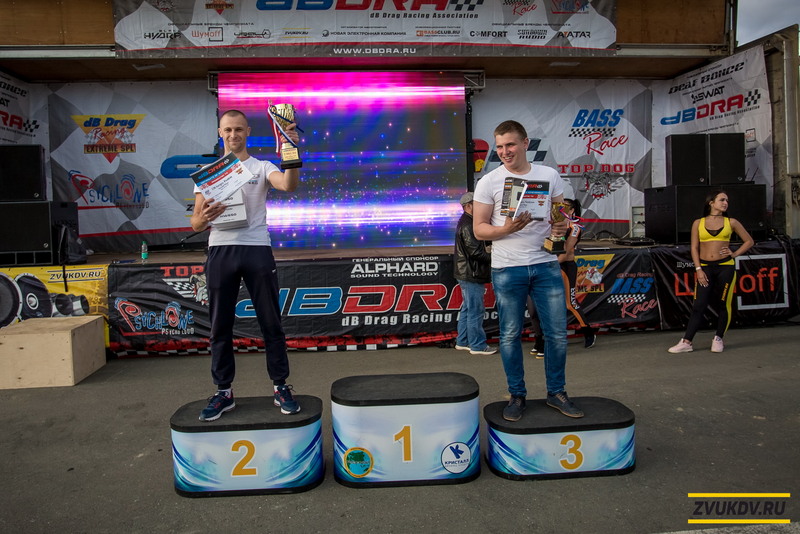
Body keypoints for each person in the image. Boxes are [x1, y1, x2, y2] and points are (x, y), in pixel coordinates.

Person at [190, 109, 302, 421]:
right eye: (227, 130)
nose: (233, 135)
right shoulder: (209, 173)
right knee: (219, 325)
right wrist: (204, 217)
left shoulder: (261, 167)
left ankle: (280, 385)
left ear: (248, 131)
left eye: (238, 129)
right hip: (221, 250)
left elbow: (288, 185)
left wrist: (291, 149)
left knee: (271, 322)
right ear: (220, 132)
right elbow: (196, 223)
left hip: (256, 248)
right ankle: (223, 391)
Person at [473, 120, 583, 422]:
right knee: (510, 335)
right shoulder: (489, 181)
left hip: (546, 264)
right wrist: (506, 229)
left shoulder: (548, 175)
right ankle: (517, 395)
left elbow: (561, 214)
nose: (504, 151)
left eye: (510, 144)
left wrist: (560, 226)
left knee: (556, 334)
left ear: (525, 143)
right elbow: (480, 230)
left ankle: (556, 392)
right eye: (499, 146)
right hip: (508, 268)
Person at [668, 189, 754, 354]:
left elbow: (749, 241)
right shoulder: (698, 223)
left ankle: (718, 338)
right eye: (722, 200)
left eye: (727, 200)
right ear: (711, 203)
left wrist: (734, 254)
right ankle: (687, 342)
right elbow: (694, 248)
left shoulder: (731, 222)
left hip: (725, 267)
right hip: (705, 268)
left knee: (724, 304)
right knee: (698, 305)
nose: (725, 203)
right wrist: (698, 269)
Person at [453, 191, 497, 355]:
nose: (481, 206)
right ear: (468, 206)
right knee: (475, 310)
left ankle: (463, 341)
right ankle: (477, 345)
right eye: (477, 203)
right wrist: (495, 256)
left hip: (467, 272)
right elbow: (476, 252)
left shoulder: (467, 222)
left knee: (468, 308)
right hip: (471, 273)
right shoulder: (468, 224)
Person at [558, 198, 597, 349]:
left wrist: (550, 265)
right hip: (552, 265)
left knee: (571, 303)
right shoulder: (555, 224)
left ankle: (588, 332)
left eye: (565, 206)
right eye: (559, 206)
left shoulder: (574, 227)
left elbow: (566, 251)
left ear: (572, 210)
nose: (561, 209)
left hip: (565, 266)